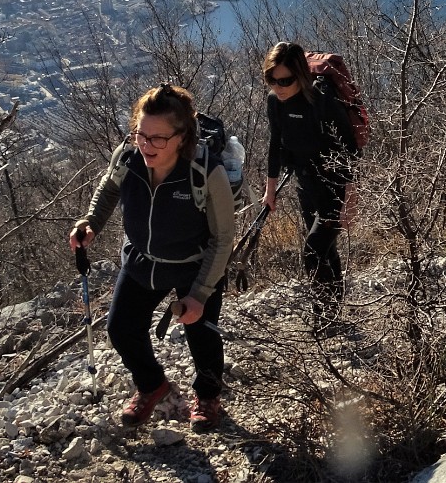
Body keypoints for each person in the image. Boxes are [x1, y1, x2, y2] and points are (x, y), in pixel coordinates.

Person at [69, 84, 236, 432]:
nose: (146, 146)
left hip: (194, 264)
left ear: (182, 136)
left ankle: (207, 395)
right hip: (142, 259)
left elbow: (223, 238)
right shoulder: (128, 157)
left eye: (158, 138)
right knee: (121, 329)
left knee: (201, 333)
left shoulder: (205, 173)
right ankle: (151, 385)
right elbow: (109, 187)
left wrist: (200, 294)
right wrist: (91, 222)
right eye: (140, 135)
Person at [261, 42, 360, 328]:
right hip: (306, 184)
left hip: (334, 186)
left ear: (301, 76)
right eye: (272, 79)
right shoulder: (274, 102)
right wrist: (270, 189)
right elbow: (275, 144)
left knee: (313, 250)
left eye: (285, 80)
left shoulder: (322, 101)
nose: (278, 87)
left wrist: (350, 202)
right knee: (325, 251)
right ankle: (334, 311)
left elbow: (351, 150)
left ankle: (324, 313)